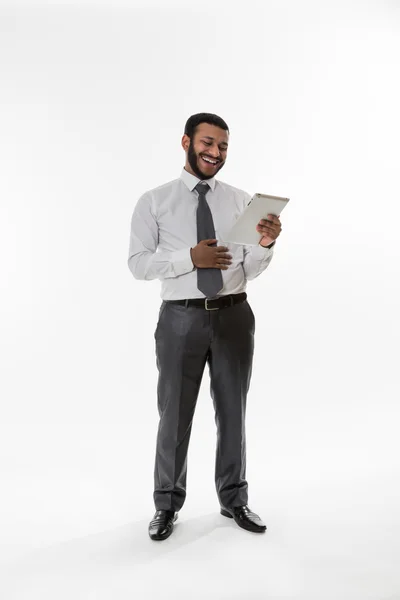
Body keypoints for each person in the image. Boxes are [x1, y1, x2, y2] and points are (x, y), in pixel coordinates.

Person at [127, 113, 282, 541]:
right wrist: (188, 259)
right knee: (173, 416)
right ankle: (166, 505)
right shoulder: (154, 201)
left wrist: (266, 245)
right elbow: (138, 264)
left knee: (233, 411)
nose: (215, 153)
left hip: (234, 314)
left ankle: (234, 499)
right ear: (186, 142)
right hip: (181, 319)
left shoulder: (240, 200)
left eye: (224, 147)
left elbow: (249, 266)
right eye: (208, 143)